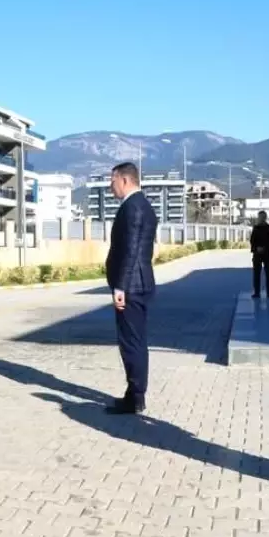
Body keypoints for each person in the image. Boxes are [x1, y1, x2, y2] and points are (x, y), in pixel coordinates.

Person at [104, 162, 158, 416]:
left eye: (112, 181)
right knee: (135, 342)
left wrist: (120, 287)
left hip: (132, 286)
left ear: (124, 180)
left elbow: (131, 251)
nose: (110, 186)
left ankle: (136, 398)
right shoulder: (142, 205)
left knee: (131, 344)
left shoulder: (133, 208)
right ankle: (134, 393)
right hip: (139, 283)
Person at [250, 211, 269, 298]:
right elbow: (252, 241)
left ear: (265, 217)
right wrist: (256, 248)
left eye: (263, 216)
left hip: (267, 254)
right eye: (260, 217)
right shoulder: (256, 228)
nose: (261, 218)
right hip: (257, 255)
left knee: (268, 274)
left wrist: (264, 247)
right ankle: (257, 293)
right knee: (256, 274)